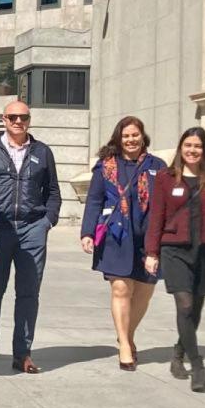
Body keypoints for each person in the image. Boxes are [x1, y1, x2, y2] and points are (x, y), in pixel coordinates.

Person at [144, 127, 205, 392]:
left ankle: (178, 353)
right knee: (184, 305)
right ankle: (197, 364)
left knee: (195, 309)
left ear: (204, 150)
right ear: (180, 148)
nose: (192, 151)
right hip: (174, 249)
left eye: (198, 146)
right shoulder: (165, 178)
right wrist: (152, 252)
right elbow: (157, 217)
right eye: (188, 145)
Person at [0, 101, 61, 374]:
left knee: (28, 293)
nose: (18, 121)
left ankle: (22, 352)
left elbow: (53, 193)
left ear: (29, 120)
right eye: (12, 117)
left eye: (23, 117)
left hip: (32, 229)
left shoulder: (42, 152)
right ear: (3, 119)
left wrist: (47, 222)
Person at [80, 116, 165, 371]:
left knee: (144, 292)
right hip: (116, 236)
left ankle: (126, 334)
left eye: (135, 135)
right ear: (119, 138)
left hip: (149, 238)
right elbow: (94, 200)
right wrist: (87, 232)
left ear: (143, 136)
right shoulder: (106, 166)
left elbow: (165, 204)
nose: (131, 140)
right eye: (126, 136)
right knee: (120, 289)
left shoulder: (157, 166)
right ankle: (125, 346)